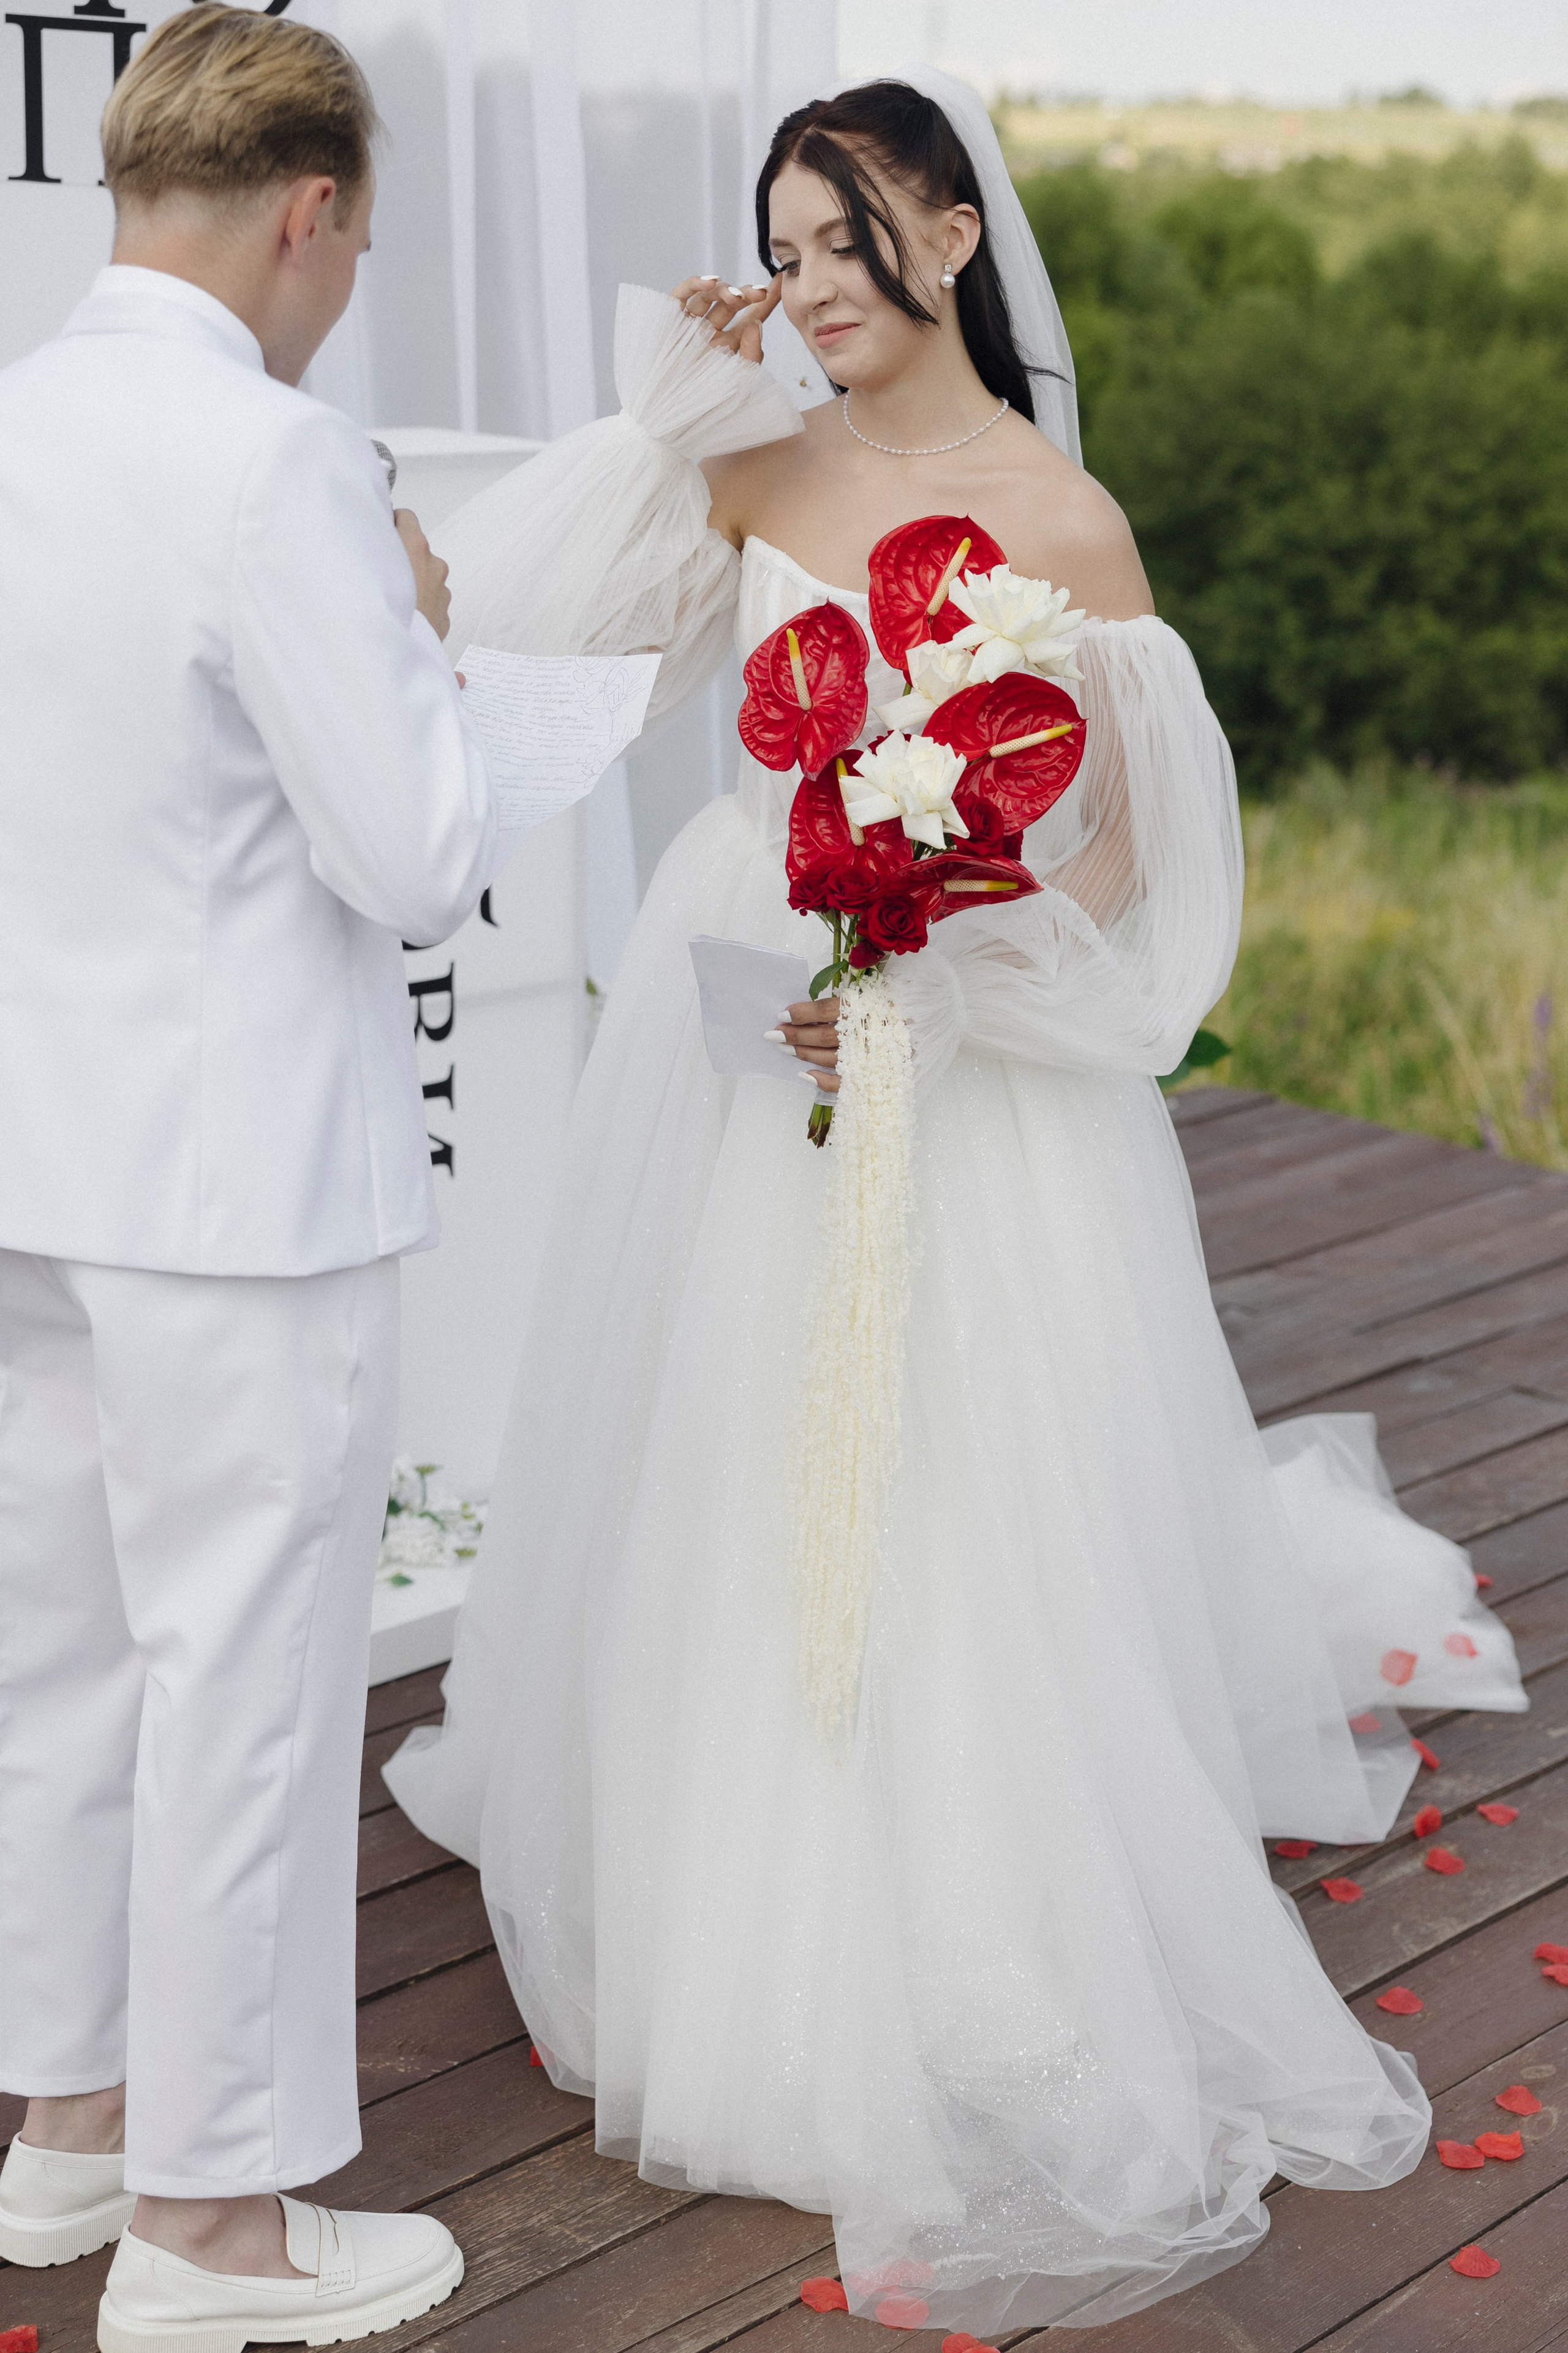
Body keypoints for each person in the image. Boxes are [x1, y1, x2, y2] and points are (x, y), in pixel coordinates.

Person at [387, 75, 1525, 2336]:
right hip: (747, 1023)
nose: (807, 286)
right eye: (780, 247)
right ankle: (749, 1900)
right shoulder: (743, 454)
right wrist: (657, 414)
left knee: (969, 1476)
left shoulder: (1067, 527)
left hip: (971, 1053)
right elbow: (499, 668)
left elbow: (1113, 864)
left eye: (839, 241)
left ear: (950, 231)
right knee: (740, 1452)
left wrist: (941, 955)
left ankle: (980, 1914)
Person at [0, 9, 494, 2346]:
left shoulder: (11, 418)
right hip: (229, 1184)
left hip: (31, 1154)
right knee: (251, 1680)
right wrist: (425, 629)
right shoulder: (272, 461)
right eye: (354, 249)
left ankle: (71, 2126)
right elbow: (411, 851)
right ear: (307, 212)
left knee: (61, 1659)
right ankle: (209, 2234)